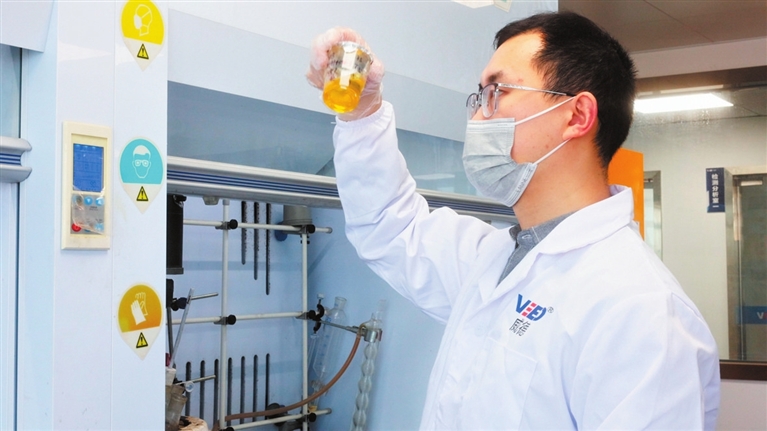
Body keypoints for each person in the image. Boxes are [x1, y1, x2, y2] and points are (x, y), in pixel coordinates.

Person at [306, 12, 720, 430]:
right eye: (479, 97)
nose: (476, 119)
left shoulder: (641, 312)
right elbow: (390, 226)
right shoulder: (493, 259)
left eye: (497, 92)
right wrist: (363, 110)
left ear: (577, 115)